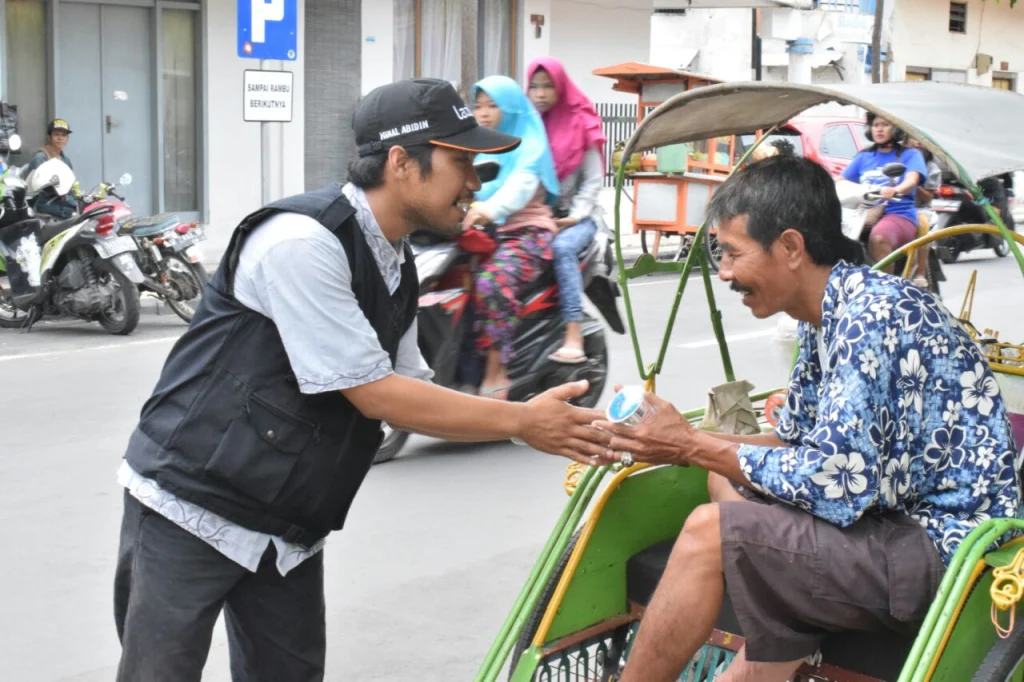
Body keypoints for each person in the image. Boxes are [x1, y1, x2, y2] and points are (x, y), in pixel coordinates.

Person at [112, 78, 610, 682]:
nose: (476, 183)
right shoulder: (302, 242)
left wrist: (524, 421)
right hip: (191, 504)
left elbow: (409, 395)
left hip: (284, 526)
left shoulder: (393, 259)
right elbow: (373, 391)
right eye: (462, 162)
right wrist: (524, 420)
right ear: (401, 163)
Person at [593, 156, 1021, 682]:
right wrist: (670, 437)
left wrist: (686, 444)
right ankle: (777, 649)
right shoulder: (824, 317)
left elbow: (837, 483)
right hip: (880, 519)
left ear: (791, 248)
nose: (725, 272)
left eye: (732, 253)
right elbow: (791, 440)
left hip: (942, 544)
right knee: (722, 474)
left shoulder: (872, 315)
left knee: (710, 530)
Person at [462, 75, 561, 398]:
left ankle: (496, 369)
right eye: (478, 106)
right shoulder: (482, 145)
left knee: (492, 283)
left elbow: (518, 189)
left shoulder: (529, 146)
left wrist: (486, 210)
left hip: (527, 233)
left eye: (493, 105)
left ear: (512, 108)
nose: (484, 113)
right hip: (487, 231)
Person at [526, 57, 607, 364]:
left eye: (548, 86)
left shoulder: (580, 123)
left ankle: (573, 332)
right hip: (539, 215)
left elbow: (593, 181)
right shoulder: (527, 125)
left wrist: (573, 216)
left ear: (560, 87)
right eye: (534, 86)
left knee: (562, 249)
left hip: (579, 219)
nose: (541, 94)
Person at [839, 112, 928, 272]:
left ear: (896, 130)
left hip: (898, 214)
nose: (879, 129)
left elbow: (912, 180)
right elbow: (841, 181)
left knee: (878, 238)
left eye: (885, 125)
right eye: (875, 125)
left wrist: (895, 190)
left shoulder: (910, 155)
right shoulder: (864, 157)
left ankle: (885, 291)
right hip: (863, 214)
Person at [906, 136, 943, 288]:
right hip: (893, 206)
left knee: (922, 224)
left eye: (921, 139)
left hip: (919, 208)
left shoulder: (931, 168)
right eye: (913, 138)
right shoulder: (898, 159)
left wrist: (912, 183)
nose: (917, 142)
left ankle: (920, 273)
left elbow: (927, 196)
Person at [24, 118, 76, 219]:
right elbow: (37, 190)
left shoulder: (66, 160)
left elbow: (70, 187)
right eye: (56, 134)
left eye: (64, 135)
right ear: (49, 137)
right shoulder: (41, 157)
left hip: (64, 205)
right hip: (46, 207)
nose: (60, 138)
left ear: (67, 139)